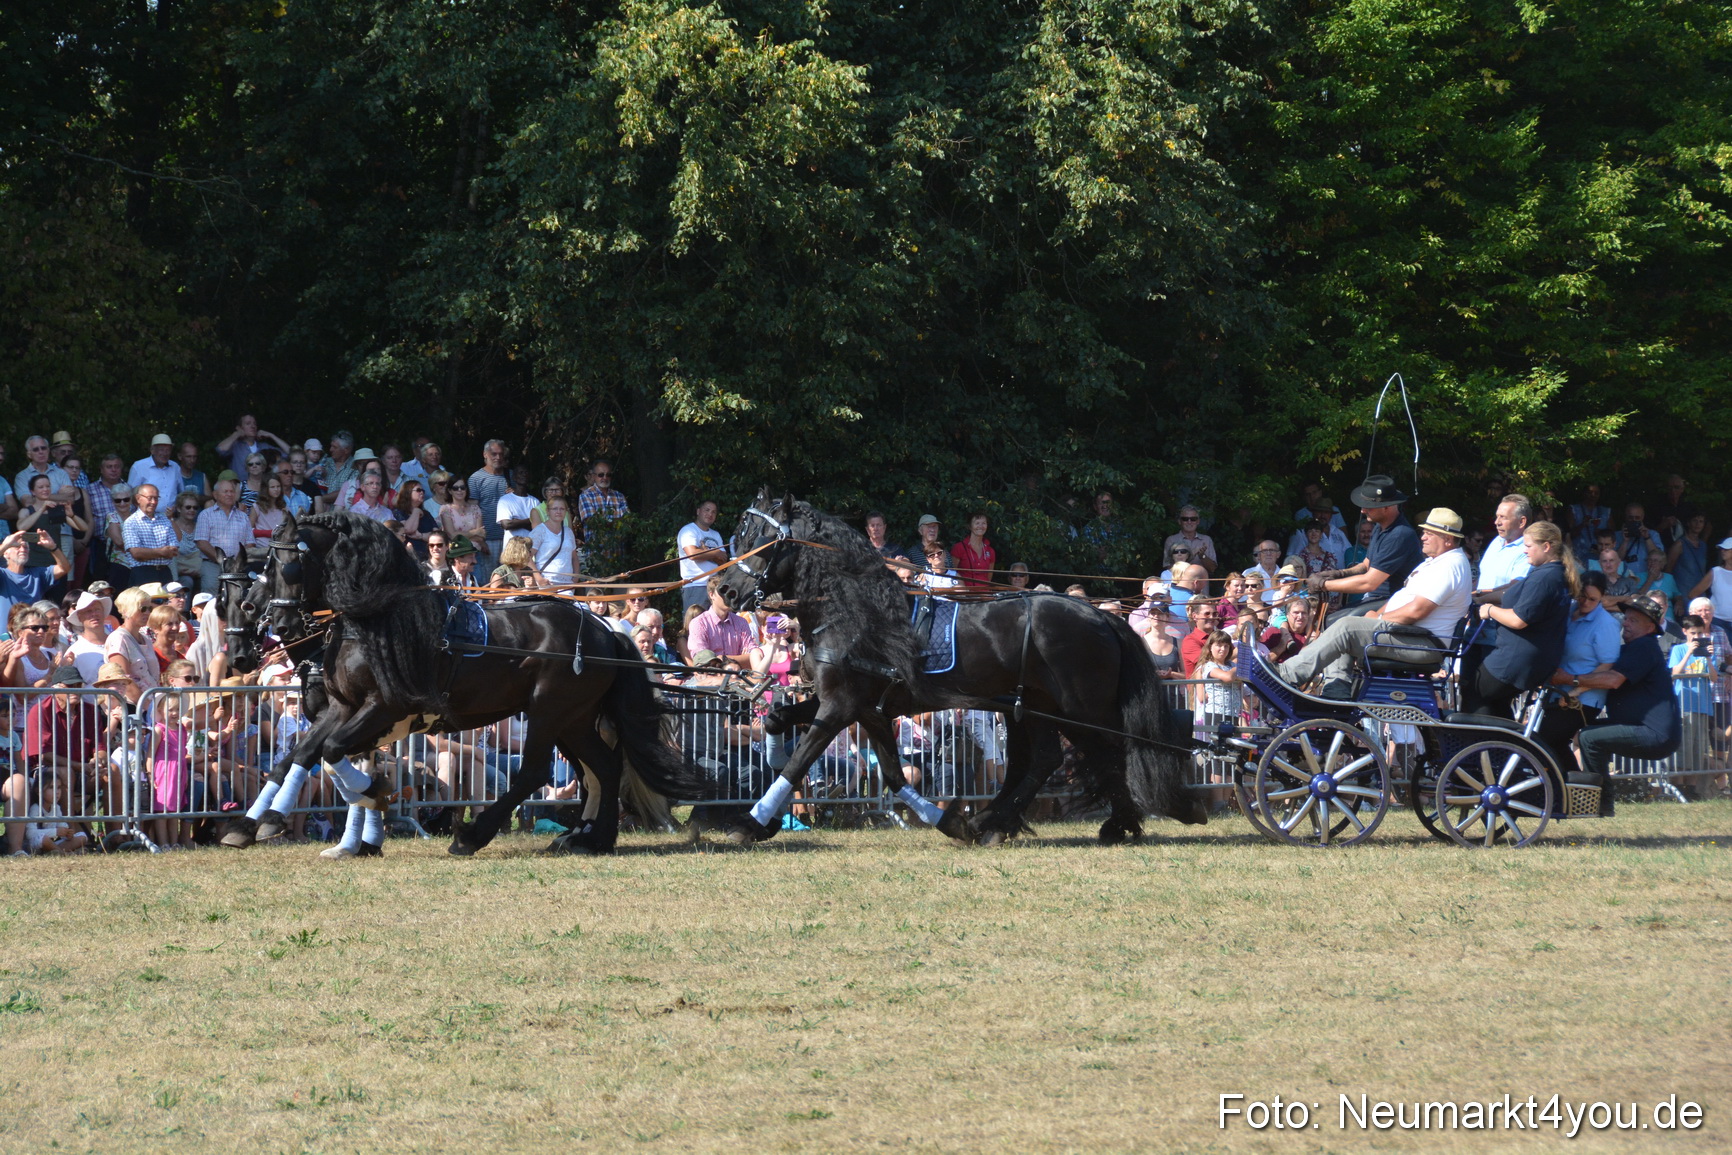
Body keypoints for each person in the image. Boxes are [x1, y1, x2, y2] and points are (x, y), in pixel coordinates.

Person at [1279, 508, 1471, 697]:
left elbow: (1416, 611)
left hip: (1423, 643)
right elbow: (1402, 597)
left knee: (1347, 627)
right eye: (1424, 532)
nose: (1423, 537)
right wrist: (1375, 617)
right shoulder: (1434, 562)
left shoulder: (1450, 567)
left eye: (1430, 534)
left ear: (1447, 539)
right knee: (1347, 623)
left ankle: (1287, 675)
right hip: (1409, 635)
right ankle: (1336, 692)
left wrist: (1378, 618)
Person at [1569, 591, 1682, 817]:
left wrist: (1568, 680)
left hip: (1655, 734)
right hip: (1644, 728)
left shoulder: (1644, 647)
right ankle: (1586, 797)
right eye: (1626, 619)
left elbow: (1613, 679)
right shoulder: (1631, 648)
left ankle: (1600, 803)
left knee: (1589, 738)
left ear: (1650, 628)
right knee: (1583, 734)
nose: (1626, 624)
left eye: (1634, 621)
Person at [1465, 521, 1578, 716]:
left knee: (1472, 691)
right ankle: (1505, 746)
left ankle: (1477, 743)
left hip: (1517, 659)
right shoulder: (1551, 573)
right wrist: (1480, 598)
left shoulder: (1544, 578)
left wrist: (1489, 610)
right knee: (1497, 705)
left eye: (1528, 546)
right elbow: (1514, 595)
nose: (1524, 551)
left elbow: (1519, 619)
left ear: (1546, 547)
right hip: (1532, 658)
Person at [1304, 474, 1424, 606]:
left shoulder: (1399, 535)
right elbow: (1367, 564)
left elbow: (1369, 583)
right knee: (1331, 619)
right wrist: (1338, 573)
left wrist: (1323, 584)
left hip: (1394, 601)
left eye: (1368, 506)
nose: (1363, 511)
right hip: (1375, 598)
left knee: (1339, 625)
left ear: (1386, 507)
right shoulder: (1379, 527)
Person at [1668, 616, 1719, 800]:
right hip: (1684, 705)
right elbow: (1675, 672)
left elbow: (1714, 678)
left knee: (1697, 752)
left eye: (1700, 633)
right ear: (1685, 632)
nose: (1696, 637)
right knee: (1683, 752)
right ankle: (1679, 789)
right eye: (1693, 633)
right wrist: (1689, 653)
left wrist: (1709, 659)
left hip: (1702, 707)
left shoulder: (1705, 652)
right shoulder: (1679, 649)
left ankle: (1692, 790)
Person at [194, 476, 252, 593]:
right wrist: (223, 561)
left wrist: (238, 562)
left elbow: (250, 543)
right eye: (225, 491)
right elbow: (202, 542)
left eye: (232, 491)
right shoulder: (206, 515)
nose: (229, 494)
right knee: (211, 599)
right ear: (215, 495)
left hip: (238, 567)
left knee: (237, 599)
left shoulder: (243, 517)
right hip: (213, 565)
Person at [2, 529, 70, 622]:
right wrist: (5, 545)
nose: (23, 549)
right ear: (6, 553)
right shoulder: (3, 574)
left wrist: (53, 547)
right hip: (5, 635)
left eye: (25, 547)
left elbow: (64, 568)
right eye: (17, 546)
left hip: (33, 632)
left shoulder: (37, 574)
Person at [119, 483, 177, 587]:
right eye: (150, 498)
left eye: (156, 498)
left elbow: (173, 550)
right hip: (143, 573)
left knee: (167, 603)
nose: (154, 502)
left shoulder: (164, 520)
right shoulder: (131, 522)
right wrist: (162, 552)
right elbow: (136, 553)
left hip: (165, 573)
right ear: (138, 498)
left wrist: (148, 553)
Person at [576, 458, 629, 569]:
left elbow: (628, 522)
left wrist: (605, 521)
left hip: (619, 555)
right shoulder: (586, 495)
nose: (605, 478)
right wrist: (617, 522)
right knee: (597, 587)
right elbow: (592, 522)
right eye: (601, 475)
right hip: (596, 556)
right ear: (594, 476)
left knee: (621, 586)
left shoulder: (619, 496)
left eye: (608, 475)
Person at [688, 576, 755, 665]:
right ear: (712, 595)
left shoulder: (741, 622)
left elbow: (753, 655)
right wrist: (741, 659)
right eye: (723, 592)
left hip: (738, 676)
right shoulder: (699, 623)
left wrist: (721, 658)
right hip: (712, 676)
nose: (729, 596)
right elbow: (703, 661)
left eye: (731, 592)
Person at [677, 499, 728, 613]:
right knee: (695, 623)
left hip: (715, 586)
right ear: (698, 511)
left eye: (714, 512)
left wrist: (705, 552)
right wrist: (715, 552)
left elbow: (723, 560)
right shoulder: (689, 530)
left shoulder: (716, 534)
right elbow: (692, 554)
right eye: (707, 510)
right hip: (695, 585)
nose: (710, 514)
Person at [215, 413, 292, 477]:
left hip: (262, 492)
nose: (253, 426)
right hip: (240, 492)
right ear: (239, 428)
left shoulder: (264, 446)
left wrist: (271, 435)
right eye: (248, 423)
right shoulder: (235, 446)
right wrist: (236, 434)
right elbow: (220, 449)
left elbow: (291, 453)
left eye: (254, 424)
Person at [439, 474, 486, 565]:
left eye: (462, 487)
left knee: (476, 579)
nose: (459, 490)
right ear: (449, 491)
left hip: (475, 554)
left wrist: (461, 535)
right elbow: (452, 536)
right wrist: (474, 532)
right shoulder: (446, 509)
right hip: (457, 556)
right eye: (455, 488)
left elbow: (481, 536)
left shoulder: (475, 508)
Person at [1163, 506, 1218, 575]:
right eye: (1185, 519)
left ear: (1198, 521)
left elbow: (1212, 569)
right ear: (1180, 521)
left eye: (1193, 519)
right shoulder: (1171, 540)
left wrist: (1202, 556)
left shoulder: (1206, 540)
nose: (1189, 522)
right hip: (1179, 584)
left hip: (1201, 584)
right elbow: (1168, 568)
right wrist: (1191, 555)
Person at [127, 434, 182, 503]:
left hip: (172, 513)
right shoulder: (139, 467)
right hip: (146, 513)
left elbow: (181, 493)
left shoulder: (175, 467)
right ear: (152, 450)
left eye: (168, 450)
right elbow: (130, 494)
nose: (165, 453)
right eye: (161, 450)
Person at [949, 512, 997, 589]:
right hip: (965, 594)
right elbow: (952, 573)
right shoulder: (959, 547)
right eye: (977, 523)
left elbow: (988, 577)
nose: (980, 526)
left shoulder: (990, 551)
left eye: (984, 523)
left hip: (984, 595)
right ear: (970, 526)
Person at [393, 479, 437, 560]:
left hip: (429, 556)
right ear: (408, 492)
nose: (422, 492)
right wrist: (416, 511)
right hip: (409, 557)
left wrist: (420, 536)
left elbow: (437, 535)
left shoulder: (426, 514)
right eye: (418, 490)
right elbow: (407, 529)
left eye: (423, 491)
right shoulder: (398, 512)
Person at [1179, 599, 1221, 676]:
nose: (1211, 617)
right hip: (1200, 687)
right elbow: (1207, 662)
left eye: (1215, 614)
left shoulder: (1220, 637)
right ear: (1195, 616)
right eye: (1207, 614)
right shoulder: (1189, 641)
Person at [495, 465, 536, 544]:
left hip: (530, 548)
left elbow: (537, 527)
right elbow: (506, 525)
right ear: (514, 477)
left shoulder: (535, 501)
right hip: (511, 549)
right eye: (521, 473)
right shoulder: (505, 500)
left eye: (526, 472)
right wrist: (530, 520)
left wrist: (516, 522)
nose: (524, 475)